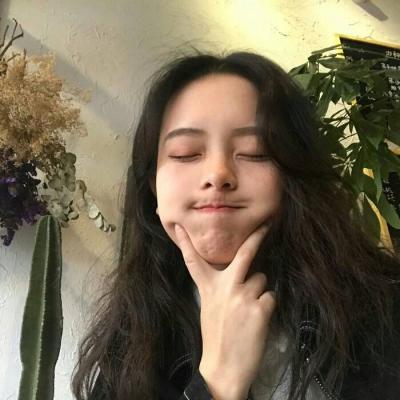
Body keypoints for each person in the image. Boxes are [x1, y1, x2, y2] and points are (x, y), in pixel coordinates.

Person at [71, 50, 400, 400]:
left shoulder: (384, 310)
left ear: (293, 173)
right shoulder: (126, 347)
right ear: (153, 184)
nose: (218, 174)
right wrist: (217, 382)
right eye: (185, 153)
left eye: (254, 151)